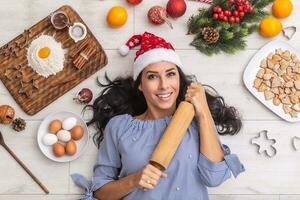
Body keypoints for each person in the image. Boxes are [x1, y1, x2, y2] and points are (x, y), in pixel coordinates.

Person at [71, 32, 245, 200]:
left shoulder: (195, 121)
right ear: (140, 85)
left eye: (170, 74)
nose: (164, 85)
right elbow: (101, 193)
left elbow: (214, 178)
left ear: (179, 79)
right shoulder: (119, 127)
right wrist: (133, 180)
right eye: (153, 76)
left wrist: (204, 111)